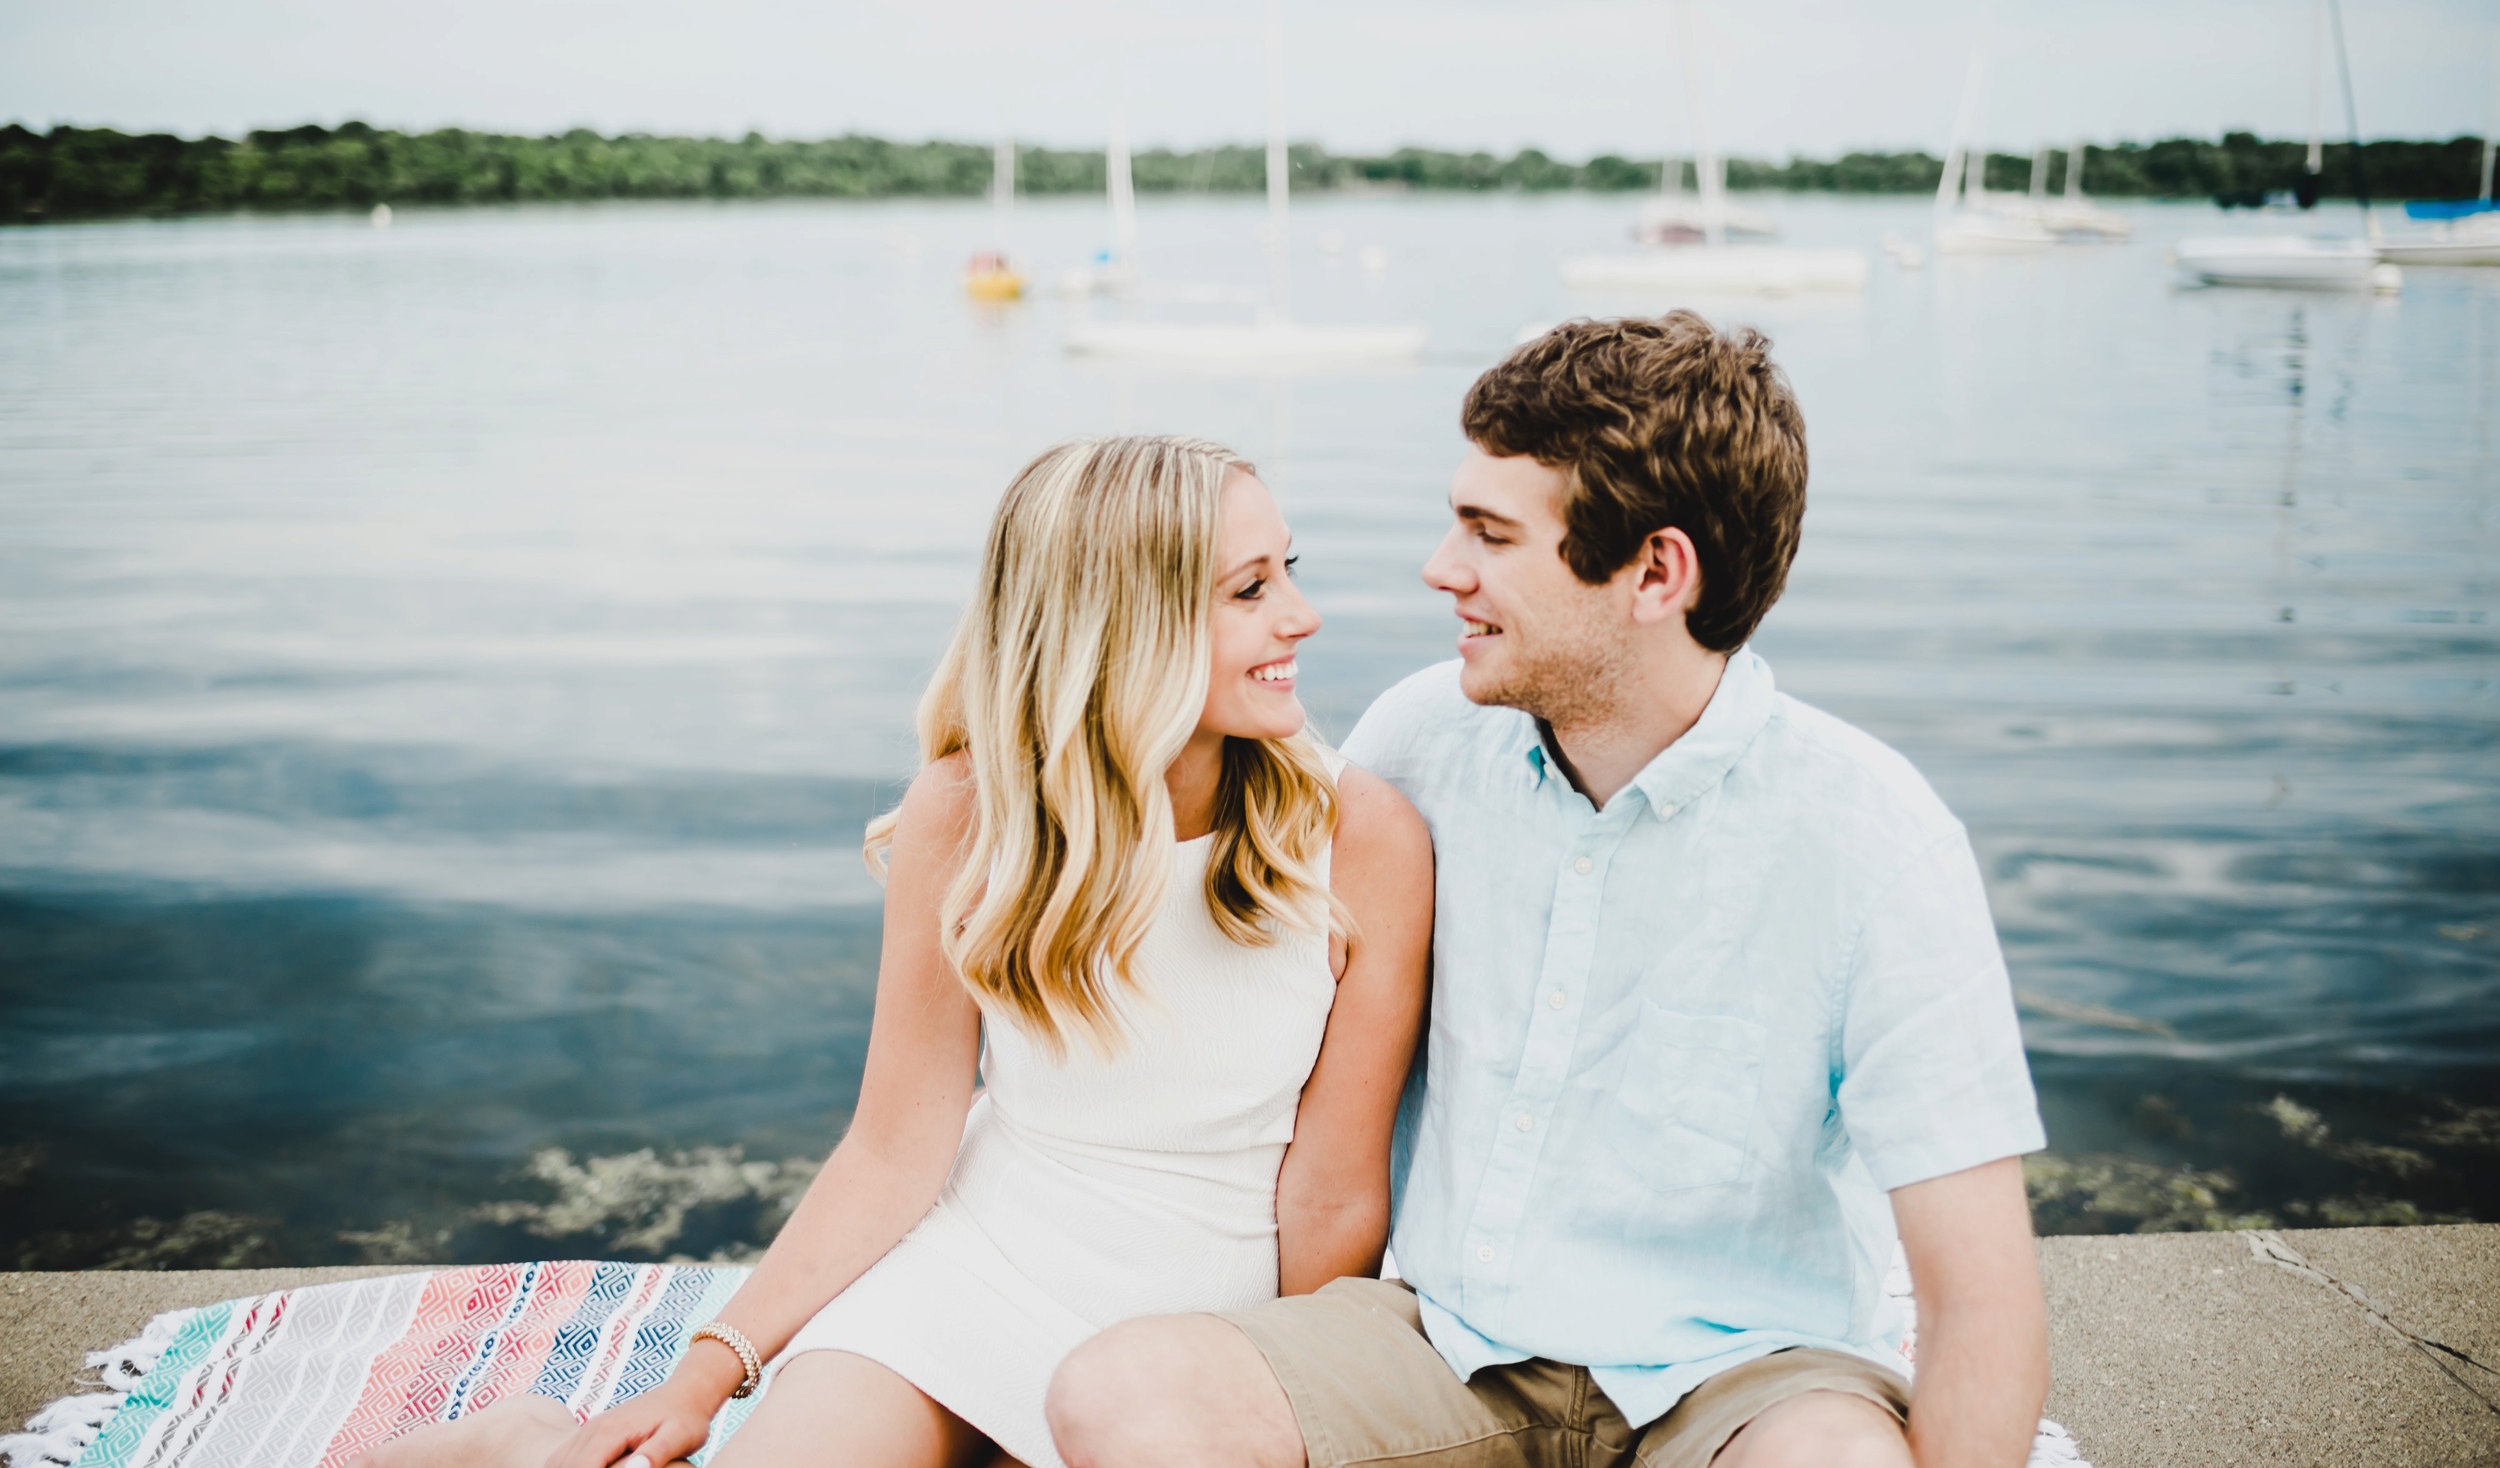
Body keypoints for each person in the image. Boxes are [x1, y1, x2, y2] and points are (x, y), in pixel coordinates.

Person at [1048, 316, 2052, 1468]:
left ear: (1654, 572)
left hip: (1746, 1378)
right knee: (1123, 1396)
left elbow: (1979, 1296)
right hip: (1438, 1347)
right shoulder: (1415, 743)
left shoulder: (1876, 838)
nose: (1442, 566)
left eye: (1490, 533)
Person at [355, 435, 1432, 1468]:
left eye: (1286, 570)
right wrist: (702, 1374)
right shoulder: (971, 810)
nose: (1303, 614)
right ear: (1123, 620)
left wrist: (1264, 1392)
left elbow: (1332, 1196)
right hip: (969, 1269)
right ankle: (525, 1440)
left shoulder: (1360, 835)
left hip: (1189, 1322)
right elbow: (892, 1145)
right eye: (1249, 590)